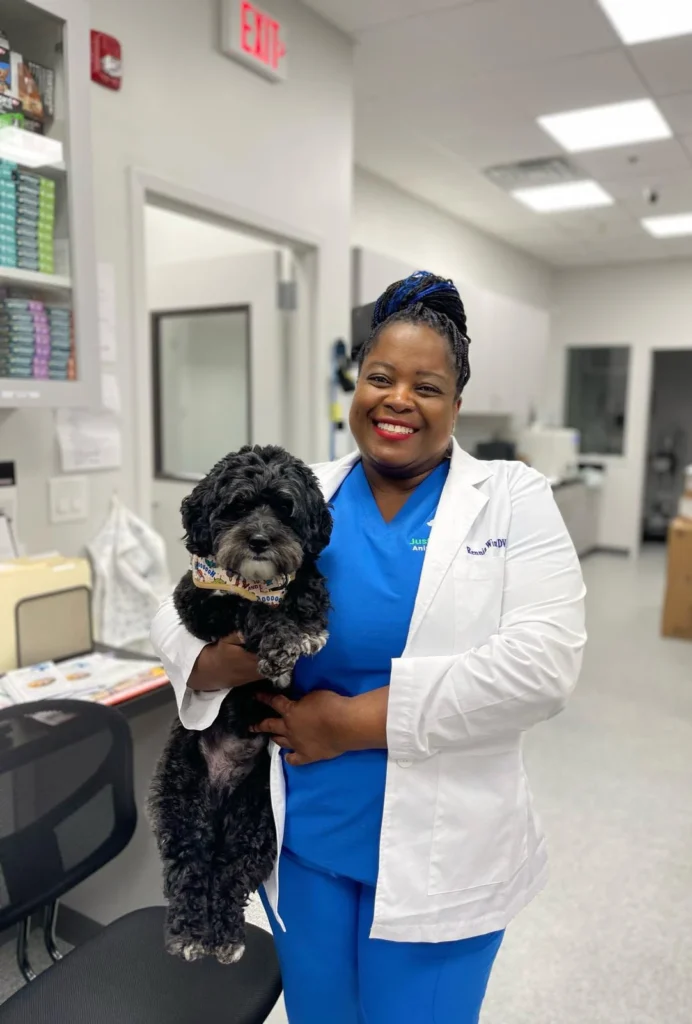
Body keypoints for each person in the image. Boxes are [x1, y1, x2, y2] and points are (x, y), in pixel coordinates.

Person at [151, 271, 586, 1024]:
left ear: (456, 401)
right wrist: (211, 662)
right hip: (304, 845)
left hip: (444, 857)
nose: (397, 400)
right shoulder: (303, 492)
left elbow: (542, 667)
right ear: (357, 383)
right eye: (379, 377)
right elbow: (177, 603)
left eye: (427, 385)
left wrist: (346, 724)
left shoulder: (514, 498)